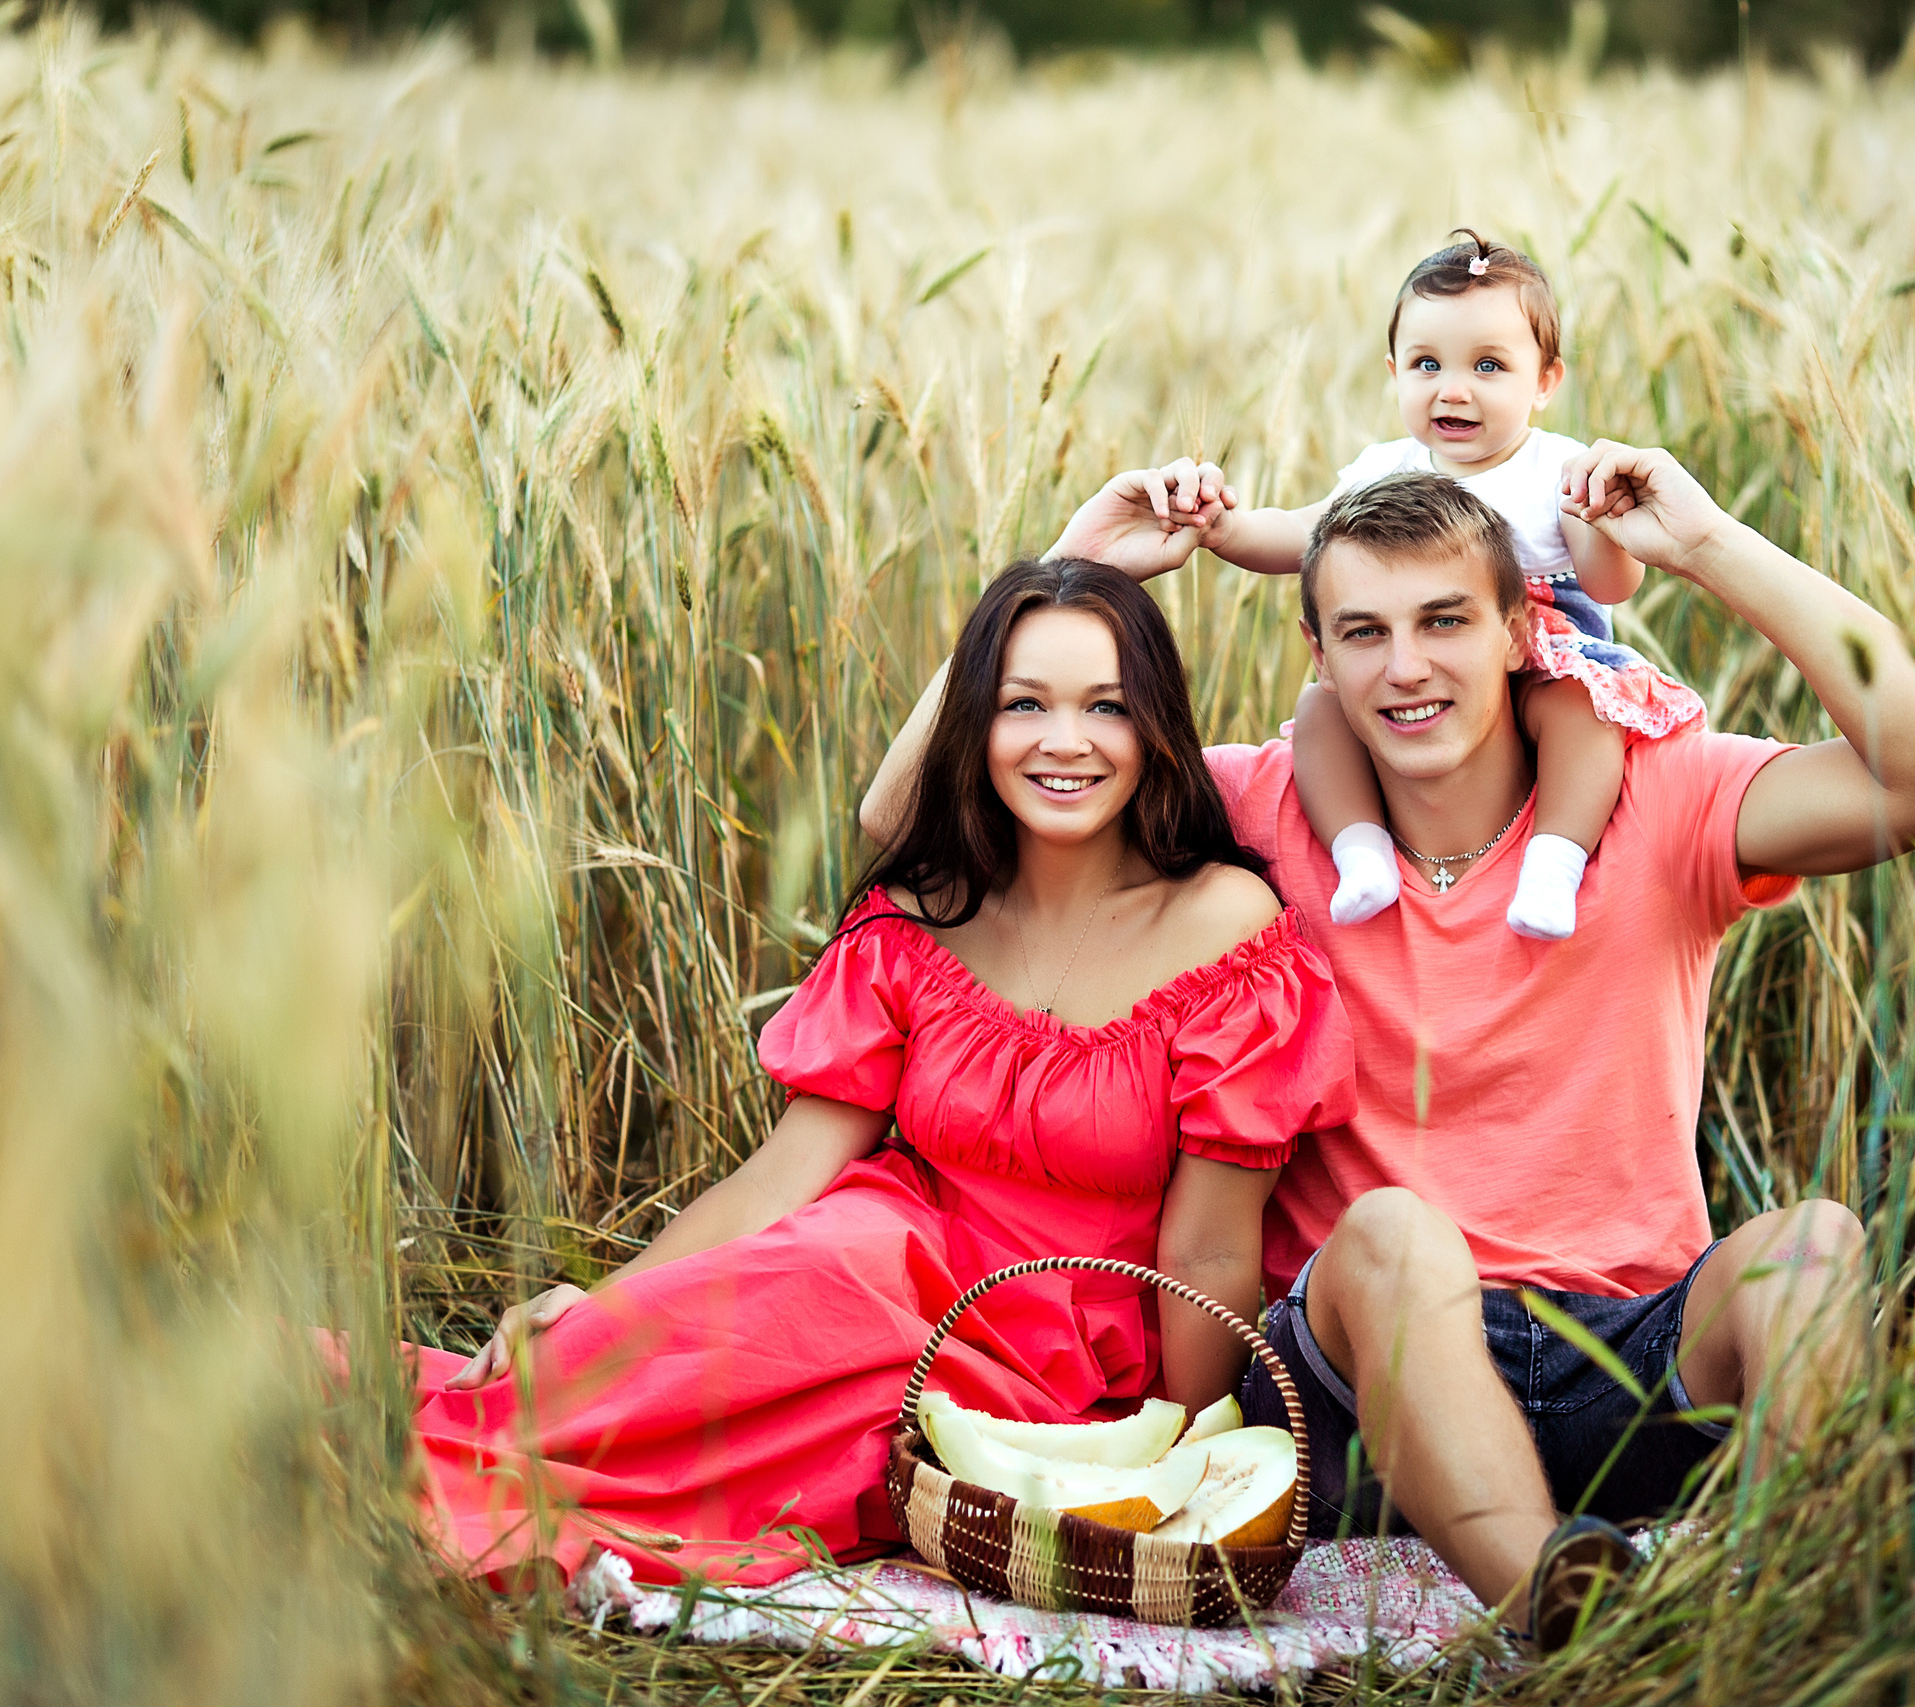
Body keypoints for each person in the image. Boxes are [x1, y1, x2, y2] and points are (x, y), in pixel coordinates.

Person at [862, 447, 1915, 1651]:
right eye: (1363, 632)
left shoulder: (1656, 800)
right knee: (1394, 1234)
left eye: (1444, 621)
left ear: (1516, 629)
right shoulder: (1260, 812)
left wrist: (1706, 545)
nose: (1405, 668)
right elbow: (910, 823)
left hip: (1624, 1349)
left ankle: (1811, 1614)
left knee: (1810, 1246)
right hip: (1350, 1382)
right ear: (1318, 658)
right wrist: (1071, 563)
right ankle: (1573, 1613)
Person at [411, 559, 1354, 1591]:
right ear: (974, 726)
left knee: (801, 1432)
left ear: (1156, 728)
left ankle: (460, 1490)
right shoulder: (921, 913)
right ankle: (430, 1461)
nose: (1064, 741)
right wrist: (603, 1304)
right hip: (871, 1259)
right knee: (745, 1318)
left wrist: (1177, 1457)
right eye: (1022, 704)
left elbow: (1211, 1245)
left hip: (1045, 1359)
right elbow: (782, 1178)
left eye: (1106, 707)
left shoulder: (1221, 924)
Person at [1121, 230, 1705, 941]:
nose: (1452, 389)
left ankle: (1556, 861)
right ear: (1394, 371)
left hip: (1548, 654)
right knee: (1320, 711)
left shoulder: (1561, 468)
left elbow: (1608, 585)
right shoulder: (1384, 467)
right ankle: (1359, 852)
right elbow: (1300, 533)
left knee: (1584, 717)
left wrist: (1604, 515)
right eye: (1427, 364)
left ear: (1546, 381)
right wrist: (1220, 527)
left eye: (1489, 365)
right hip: (1426, 664)